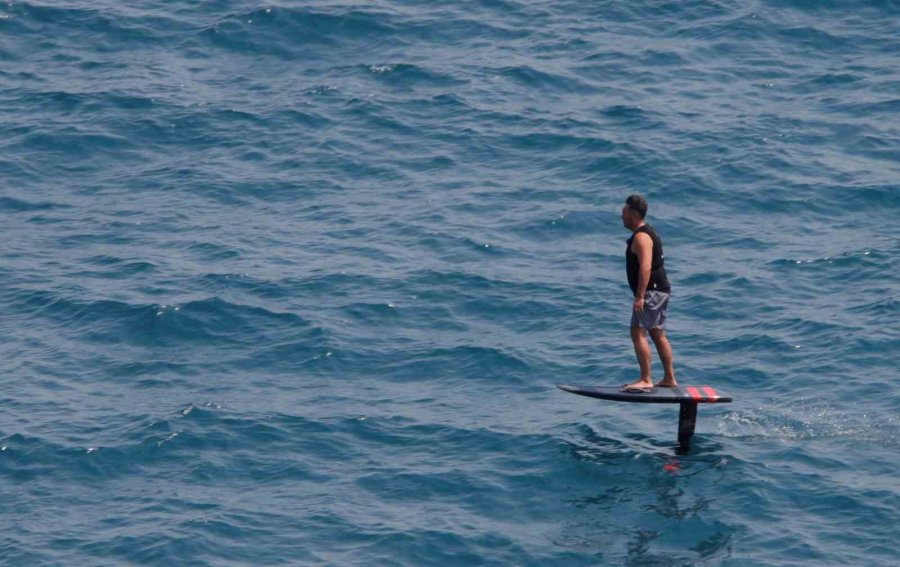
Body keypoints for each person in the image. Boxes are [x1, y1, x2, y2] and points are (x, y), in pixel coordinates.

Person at [620, 194, 677, 392]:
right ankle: (670, 378)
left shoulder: (642, 237)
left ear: (634, 214)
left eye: (625, 213)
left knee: (637, 332)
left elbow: (645, 267)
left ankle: (646, 379)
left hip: (651, 292)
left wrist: (640, 296)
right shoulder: (649, 232)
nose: (622, 217)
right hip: (660, 290)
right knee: (657, 333)